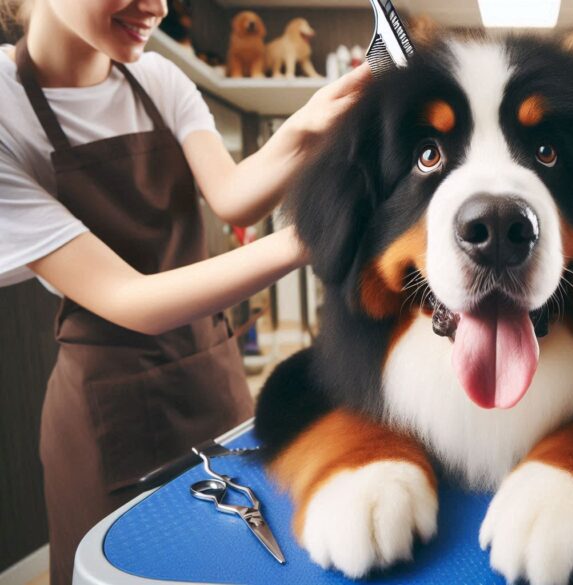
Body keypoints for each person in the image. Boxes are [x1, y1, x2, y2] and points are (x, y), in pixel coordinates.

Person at [0, 1, 370, 582]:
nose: (159, 6)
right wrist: (320, 233)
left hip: (211, 374)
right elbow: (131, 299)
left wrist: (308, 122)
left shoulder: (157, 77)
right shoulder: (4, 105)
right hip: (105, 410)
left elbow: (233, 195)